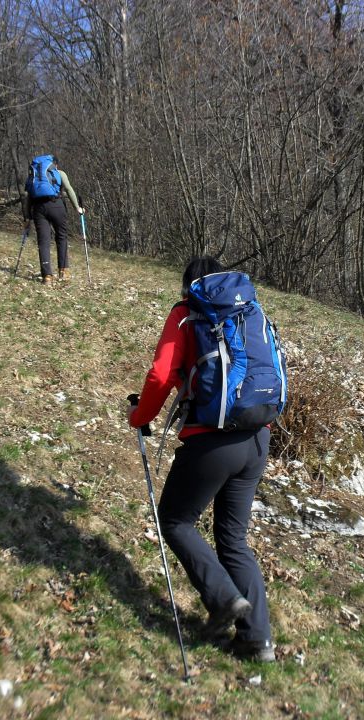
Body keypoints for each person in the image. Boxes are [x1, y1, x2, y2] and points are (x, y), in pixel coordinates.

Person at [127, 257, 276, 663]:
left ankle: (223, 598)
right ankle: (257, 640)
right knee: (233, 540)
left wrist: (139, 417)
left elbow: (160, 376)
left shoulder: (186, 314)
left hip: (212, 443)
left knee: (174, 520)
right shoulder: (249, 310)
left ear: (189, 286)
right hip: (258, 438)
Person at [22, 154, 84, 285]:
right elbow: (68, 189)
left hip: (38, 208)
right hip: (56, 205)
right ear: (55, 164)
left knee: (43, 241)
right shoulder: (59, 173)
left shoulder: (34, 176)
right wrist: (77, 208)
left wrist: (27, 217)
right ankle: (63, 271)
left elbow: (27, 197)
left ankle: (47, 276)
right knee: (61, 237)